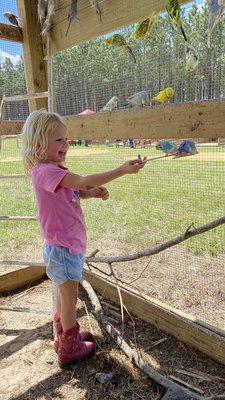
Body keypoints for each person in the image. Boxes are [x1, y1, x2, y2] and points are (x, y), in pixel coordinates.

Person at [21, 109, 146, 368]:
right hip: (64, 248)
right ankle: (69, 347)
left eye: (66, 139)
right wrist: (122, 170)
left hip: (64, 246)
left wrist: (89, 195)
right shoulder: (46, 171)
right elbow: (84, 180)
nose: (65, 144)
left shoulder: (52, 170)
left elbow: (72, 193)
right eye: (58, 140)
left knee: (63, 297)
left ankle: (66, 334)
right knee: (69, 299)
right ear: (37, 144)